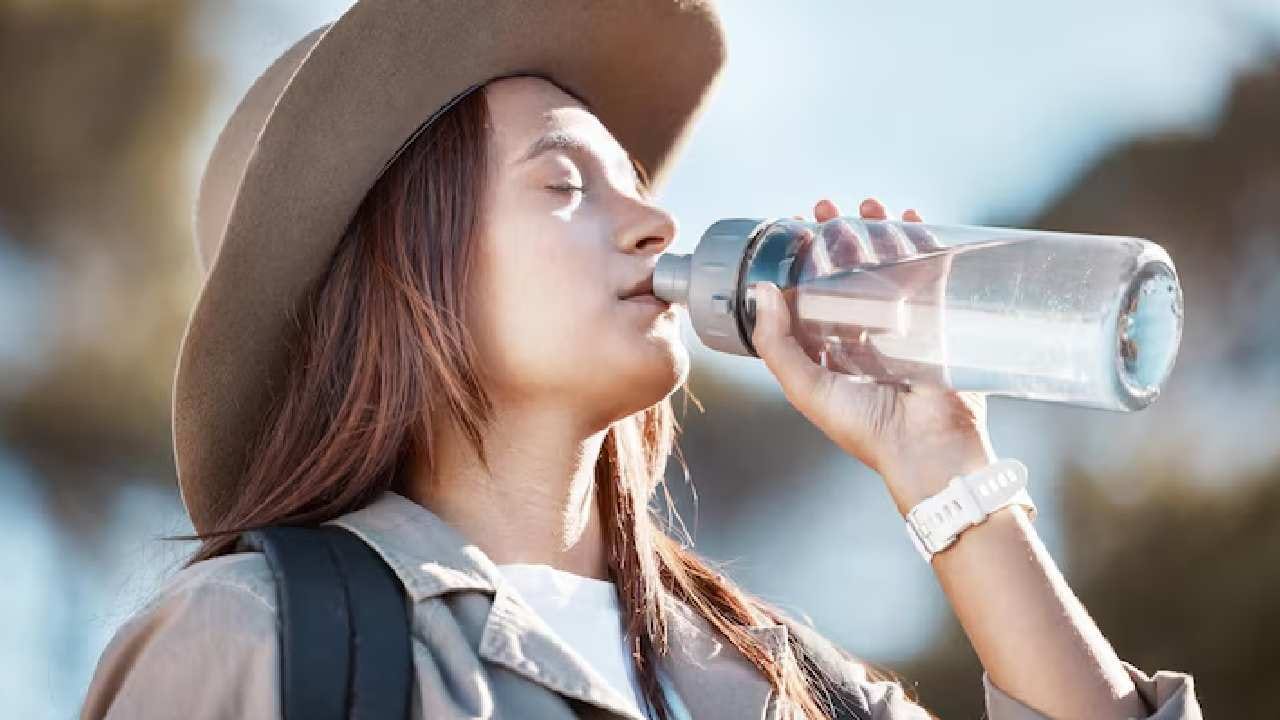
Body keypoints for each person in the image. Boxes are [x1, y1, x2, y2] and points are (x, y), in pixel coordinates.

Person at [79, 1, 1202, 719]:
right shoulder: (262, 640)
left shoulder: (793, 688)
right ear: (400, 277)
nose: (655, 226)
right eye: (564, 185)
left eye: (638, 183)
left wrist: (944, 471)